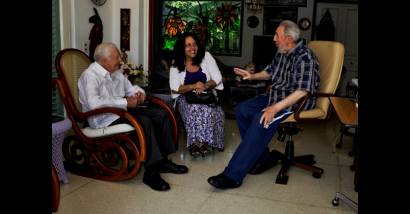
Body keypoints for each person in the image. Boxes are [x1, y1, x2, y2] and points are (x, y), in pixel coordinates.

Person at [207, 20, 320, 189]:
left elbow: (302, 92)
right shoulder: (282, 51)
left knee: (261, 119)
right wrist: (252, 77)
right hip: (275, 96)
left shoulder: (305, 57)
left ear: (288, 38)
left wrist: (275, 108)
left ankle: (233, 176)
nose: (274, 38)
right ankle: (264, 157)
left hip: (295, 103)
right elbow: (269, 72)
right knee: (242, 110)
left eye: (277, 35)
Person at [78, 42, 188, 192]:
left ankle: (162, 161)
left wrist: (139, 94)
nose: (120, 61)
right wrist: (125, 102)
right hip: (103, 119)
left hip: (120, 112)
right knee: (145, 121)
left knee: (161, 114)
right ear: (105, 60)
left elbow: (130, 89)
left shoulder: (115, 72)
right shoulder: (89, 76)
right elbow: (93, 104)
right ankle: (151, 172)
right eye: (117, 57)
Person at [169, 32, 225, 158]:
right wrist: (194, 86)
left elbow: (217, 77)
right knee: (194, 109)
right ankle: (196, 143)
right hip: (185, 98)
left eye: (194, 44)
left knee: (211, 110)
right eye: (188, 45)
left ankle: (205, 142)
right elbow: (175, 88)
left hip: (206, 95)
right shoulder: (176, 64)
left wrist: (204, 86)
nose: (192, 48)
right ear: (182, 48)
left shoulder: (206, 56)